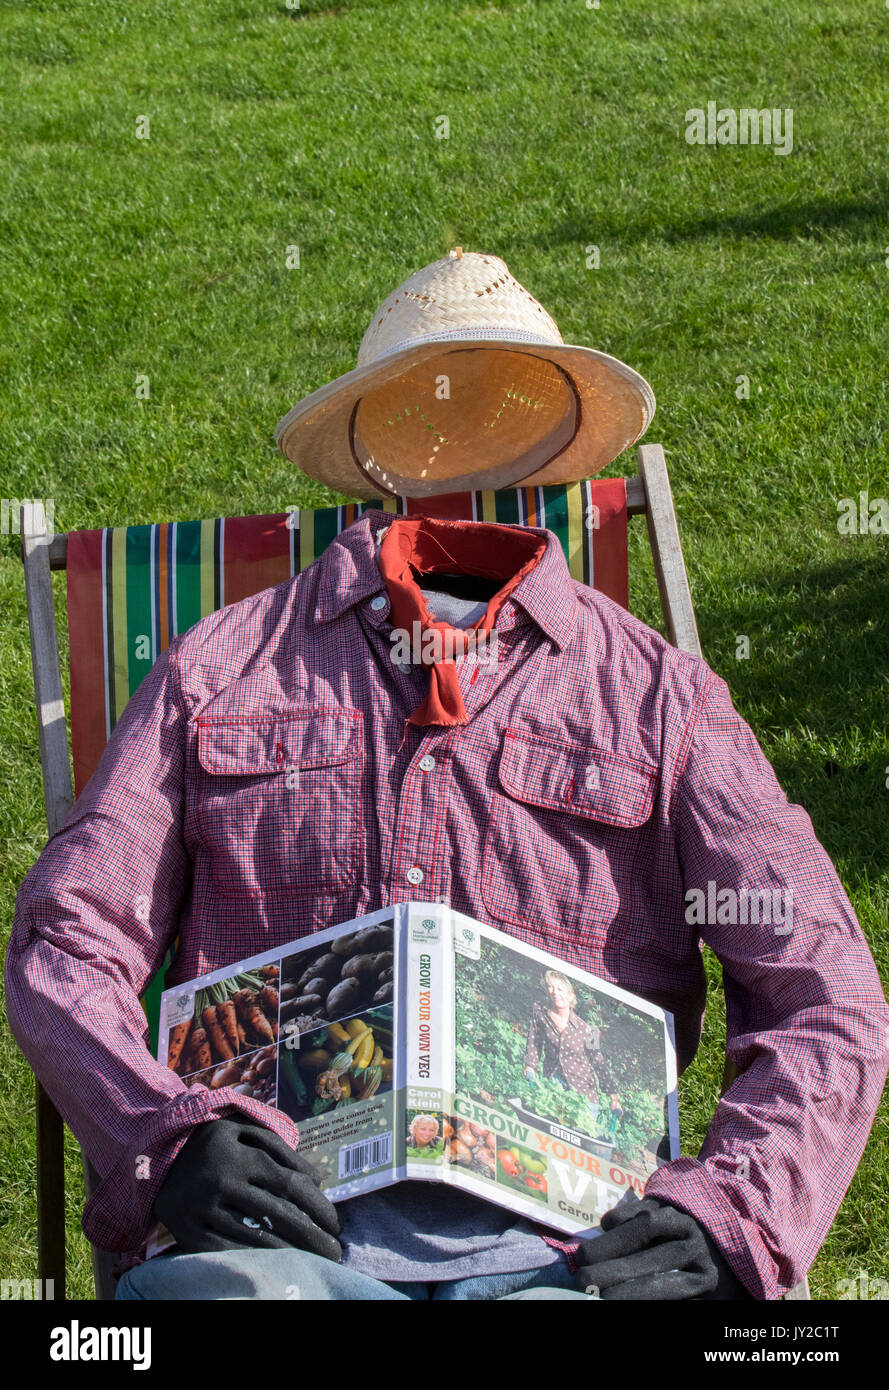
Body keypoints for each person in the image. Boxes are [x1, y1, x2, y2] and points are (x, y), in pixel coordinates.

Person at [7, 251, 888, 1302]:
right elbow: (68, 941)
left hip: (576, 1261)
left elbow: (824, 992)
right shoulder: (217, 670)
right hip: (275, 1256)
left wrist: (734, 1208)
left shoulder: (659, 699)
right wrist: (165, 1136)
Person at [523, 971, 621, 1135]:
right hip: (554, 1085)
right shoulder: (540, 1012)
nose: (554, 992)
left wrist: (613, 1098)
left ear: (570, 996)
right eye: (550, 987)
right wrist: (530, 1065)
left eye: (560, 989)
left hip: (583, 1093)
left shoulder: (589, 1031)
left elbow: (599, 1063)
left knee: (579, 1137)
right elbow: (534, 1040)